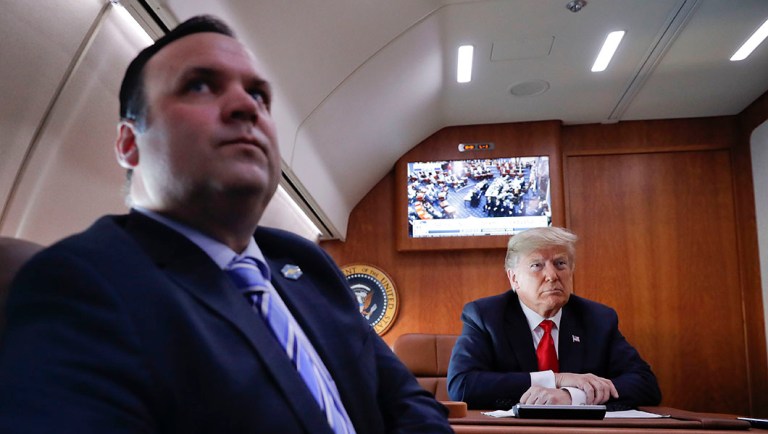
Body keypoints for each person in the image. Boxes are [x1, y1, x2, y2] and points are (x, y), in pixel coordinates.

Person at [0, 15, 451, 434]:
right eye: (199, 86)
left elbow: (409, 404)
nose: (245, 106)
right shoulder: (83, 283)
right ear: (128, 143)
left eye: (259, 96)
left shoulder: (305, 263)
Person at [447, 226, 661, 410]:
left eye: (560, 264)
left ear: (571, 271)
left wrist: (572, 395)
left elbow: (645, 384)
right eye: (537, 265)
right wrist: (555, 379)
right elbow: (462, 386)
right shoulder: (486, 316)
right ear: (514, 278)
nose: (552, 275)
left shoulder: (597, 319)